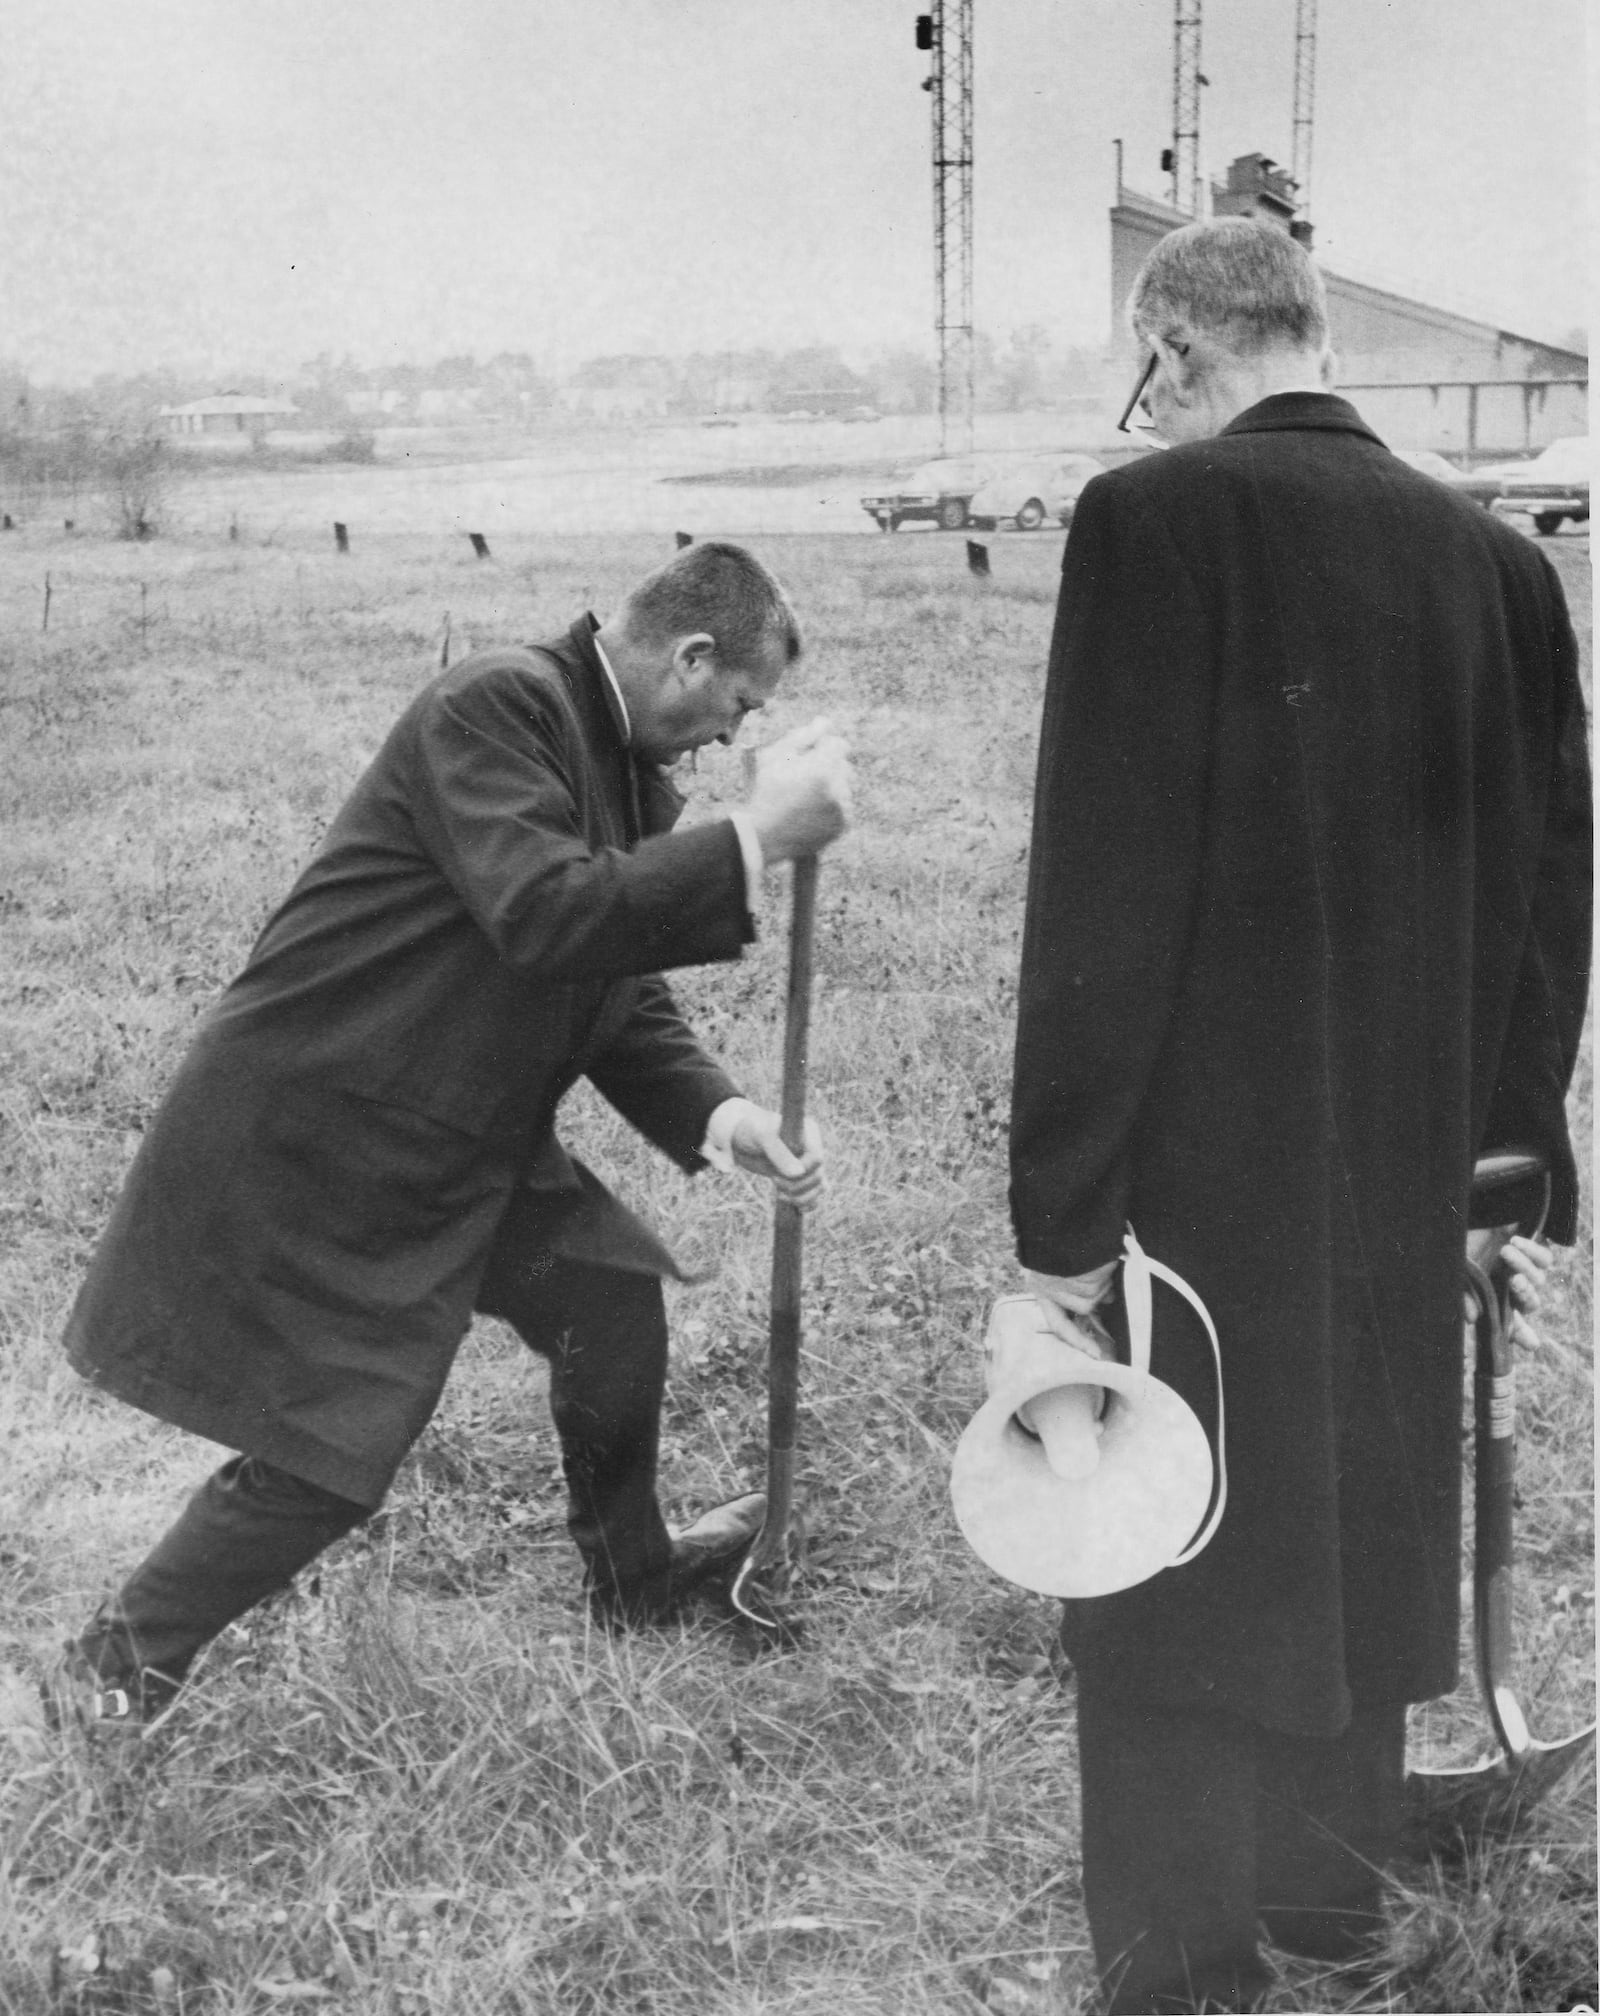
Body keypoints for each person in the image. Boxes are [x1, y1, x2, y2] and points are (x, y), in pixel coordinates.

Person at [1007, 220, 1591, 2013]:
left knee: (1168, 1526)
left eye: (1142, 374)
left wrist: (1058, 1221)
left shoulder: (1152, 522)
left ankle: (1181, 1964)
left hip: (1197, 1162)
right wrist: (1504, 1158)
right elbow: (1555, 887)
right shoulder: (1498, 564)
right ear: (1319, 339)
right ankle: (1330, 1906)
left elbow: (1102, 891)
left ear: (1171, 353)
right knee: (1366, 1501)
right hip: (1419, 1161)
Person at [56, 539, 853, 1732]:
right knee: (327, 1441)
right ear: (689, 655)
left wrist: (720, 1113)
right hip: (332, 1124)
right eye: (737, 705)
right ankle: (110, 1674)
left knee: (608, 1297)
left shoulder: (620, 758)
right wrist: (751, 842)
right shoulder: (498, 705)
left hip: (452, 1126)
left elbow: (611, 976)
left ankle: (636, 1582)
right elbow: (547, 914)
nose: (728, 738)